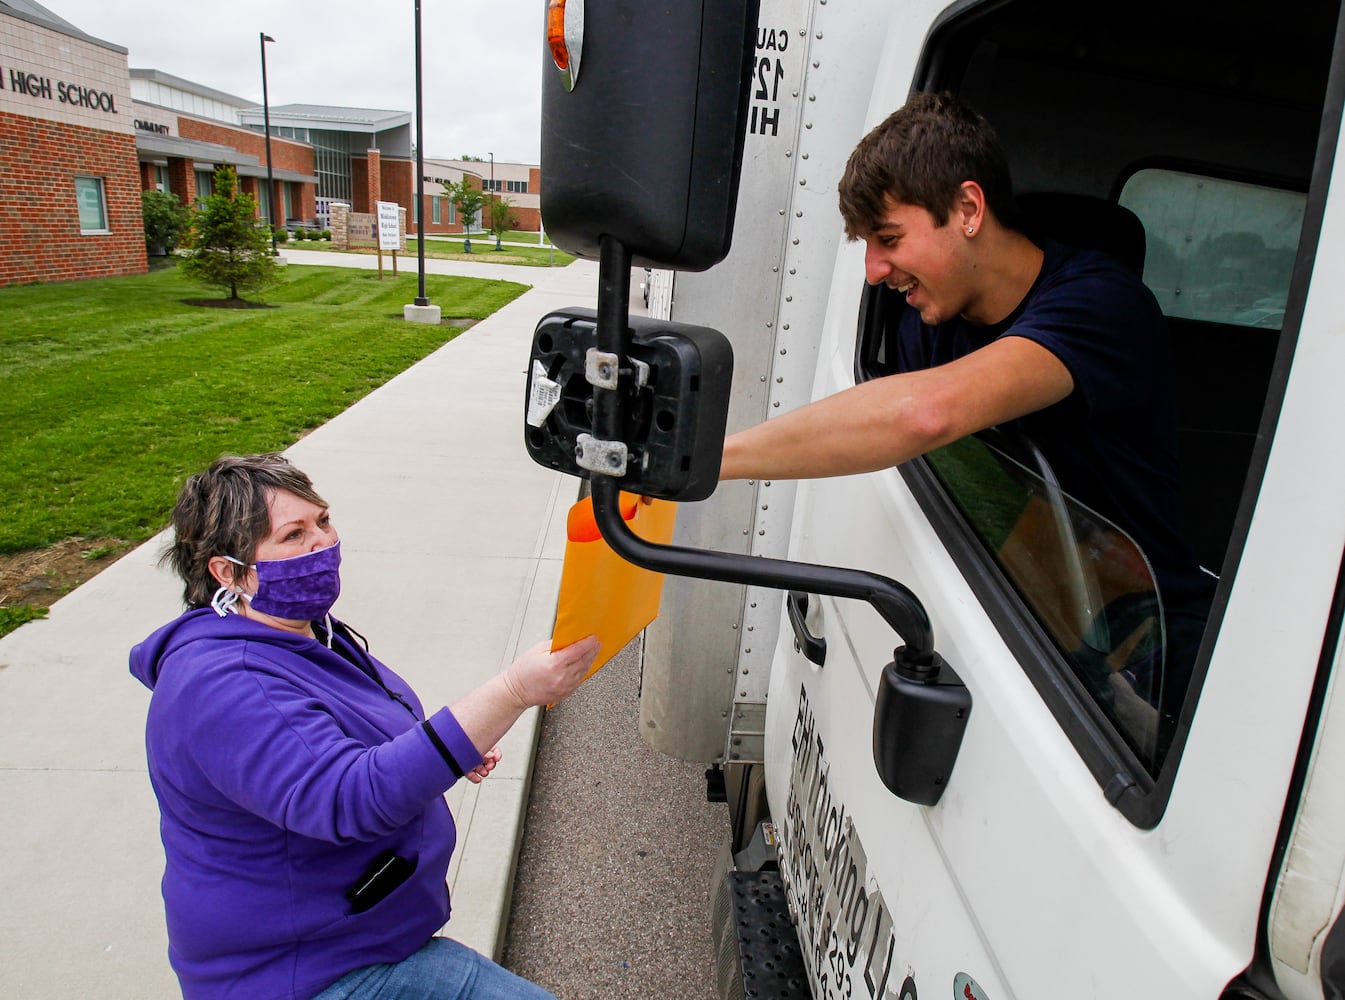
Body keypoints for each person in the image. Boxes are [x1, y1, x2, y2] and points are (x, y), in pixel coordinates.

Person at [719, 92, 1212, 738]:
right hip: (1040, 612)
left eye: (888, 239)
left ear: (968, 209)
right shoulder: (928, 320)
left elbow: (924, 415)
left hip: (1146, 639)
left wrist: (709, 461)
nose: (872, 272)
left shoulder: (1101, 307)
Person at [129, 453, 601, 1000]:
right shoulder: (225, 684)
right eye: (293, 535)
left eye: (323, 521)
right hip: (301, 974)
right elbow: (348, 796)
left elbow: (336, 736)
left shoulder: (301, 631)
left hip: (352, 939)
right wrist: (517, 691)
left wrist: (446, 748)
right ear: (229, 572)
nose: (322, 543)